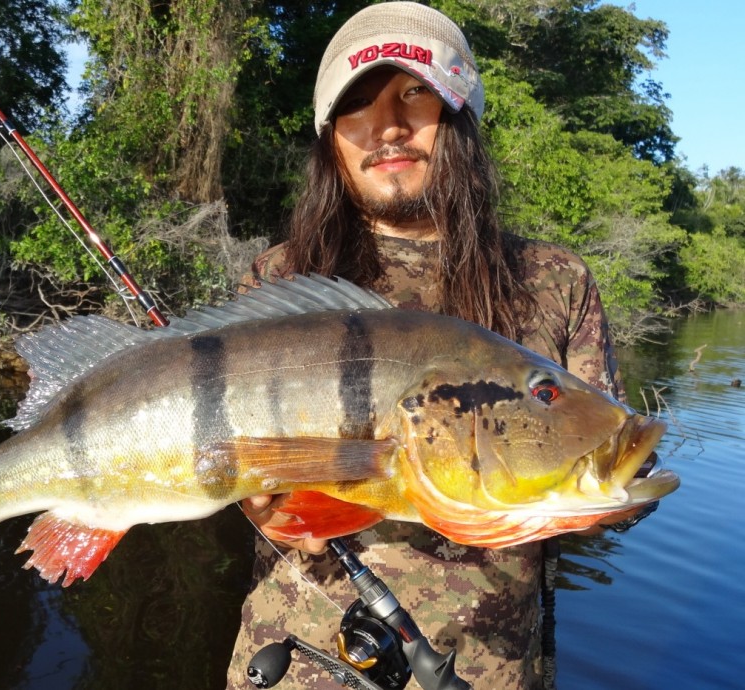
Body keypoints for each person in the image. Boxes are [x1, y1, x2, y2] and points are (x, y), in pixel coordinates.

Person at [226, 3, 641, 688]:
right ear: (331, 138)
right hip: (295, 661)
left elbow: (609, 462)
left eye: (415, 93)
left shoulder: (553, 281)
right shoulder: (282, 282)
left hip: (488, 668)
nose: (387, 125)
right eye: (357, 103)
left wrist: (602, 499)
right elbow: (214, 460)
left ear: (461, 116)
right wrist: (252, 495)